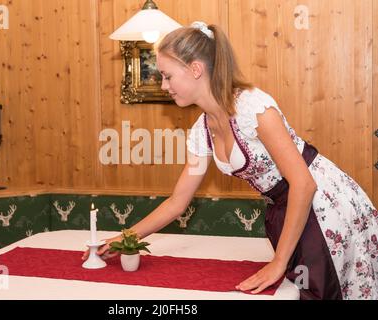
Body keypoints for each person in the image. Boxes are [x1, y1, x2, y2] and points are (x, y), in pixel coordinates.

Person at [83, 21, 378, 300]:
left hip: (322, 203)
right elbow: (177, 202)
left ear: (195, 69)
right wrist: (124, 239)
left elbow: (303, 183)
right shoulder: (203, 130)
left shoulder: (252, 107)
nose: (163, 85)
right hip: (286, 208)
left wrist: (277, 263)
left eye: (168, 75)